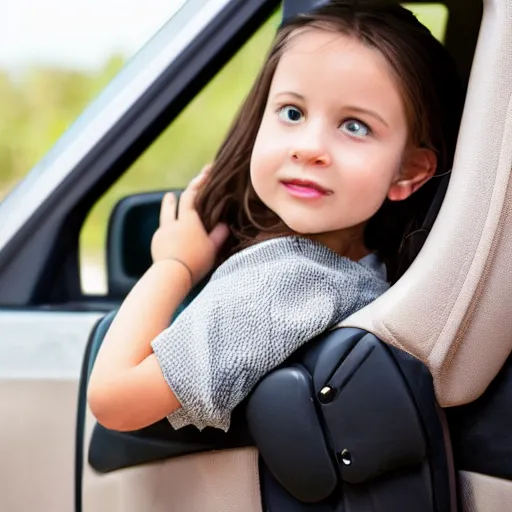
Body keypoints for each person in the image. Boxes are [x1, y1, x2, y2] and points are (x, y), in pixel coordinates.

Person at [87, 0, 464, 433]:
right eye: (292, 113)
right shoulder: (369, 275)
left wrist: (175, 264)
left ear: (408, 172)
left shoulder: (285, 283)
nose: (308, 147)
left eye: (355, 126)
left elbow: (113, 399)